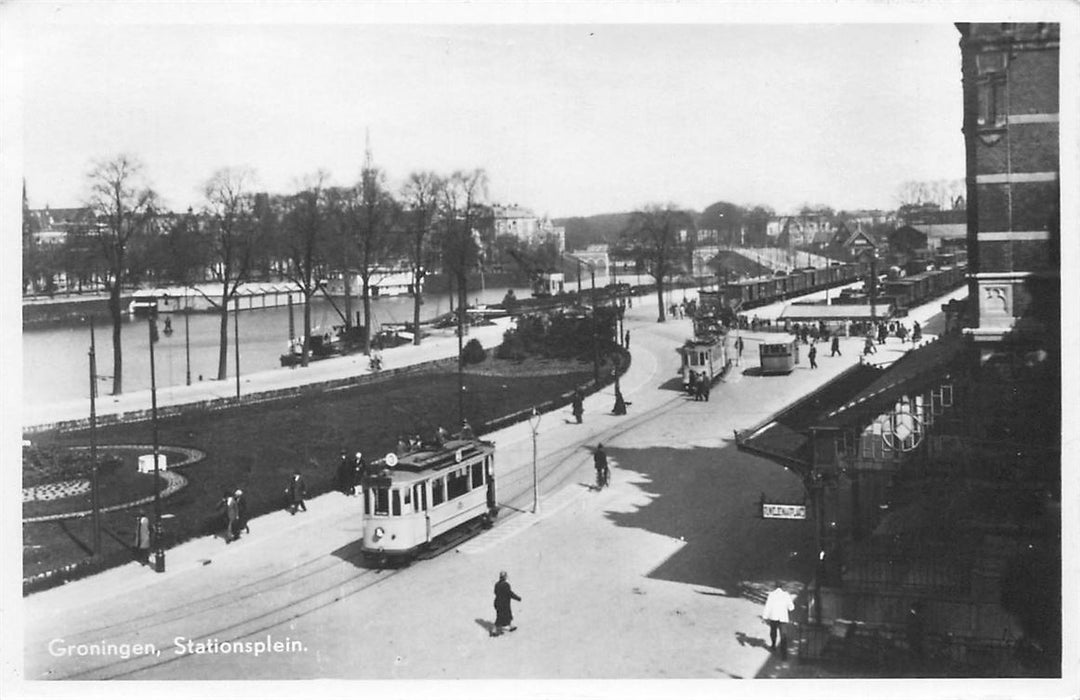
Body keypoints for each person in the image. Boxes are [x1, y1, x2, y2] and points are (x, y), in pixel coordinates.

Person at [762, 583, 795, 659]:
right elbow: (791, 607)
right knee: (783, 635)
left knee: (773, 631)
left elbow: (768, 606)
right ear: (782, 587)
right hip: (783, 618)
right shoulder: (786, 595)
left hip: (774, 617)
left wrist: (765, 617)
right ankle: (784, 654)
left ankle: (773, 645)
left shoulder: (771, 595)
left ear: (775, 587)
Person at [492, 571, 522, 636]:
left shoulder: (497, 584)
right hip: (504, 604)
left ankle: (510, 626)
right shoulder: (506, 585)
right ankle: (494, 630)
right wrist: (518, 598)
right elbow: (510, 593)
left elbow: (495, 592)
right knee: (501, 617)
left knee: (504, 615)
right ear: (505, 577)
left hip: (497, 602)